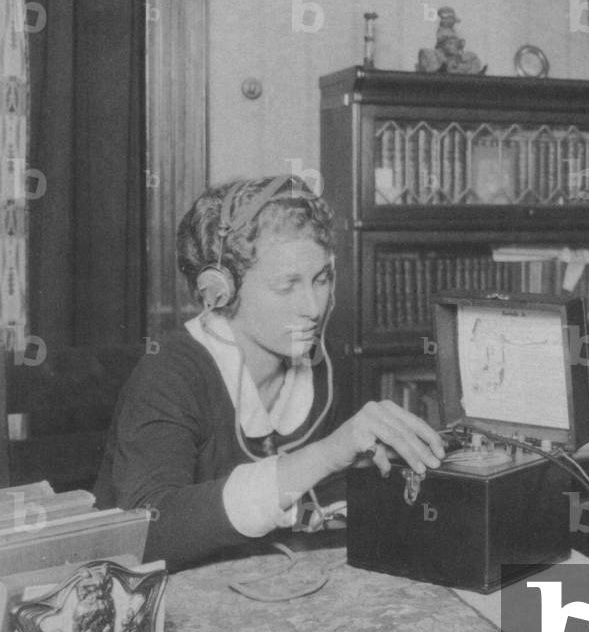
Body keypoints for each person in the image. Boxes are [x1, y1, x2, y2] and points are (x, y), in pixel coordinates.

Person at [93, 175, 445, 570]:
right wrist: (328, 454)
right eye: (286, 287)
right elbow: (149, 532)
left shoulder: (319, 370)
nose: (313, 308)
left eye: (321, 280)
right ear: (220, 292)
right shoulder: (169, 375)